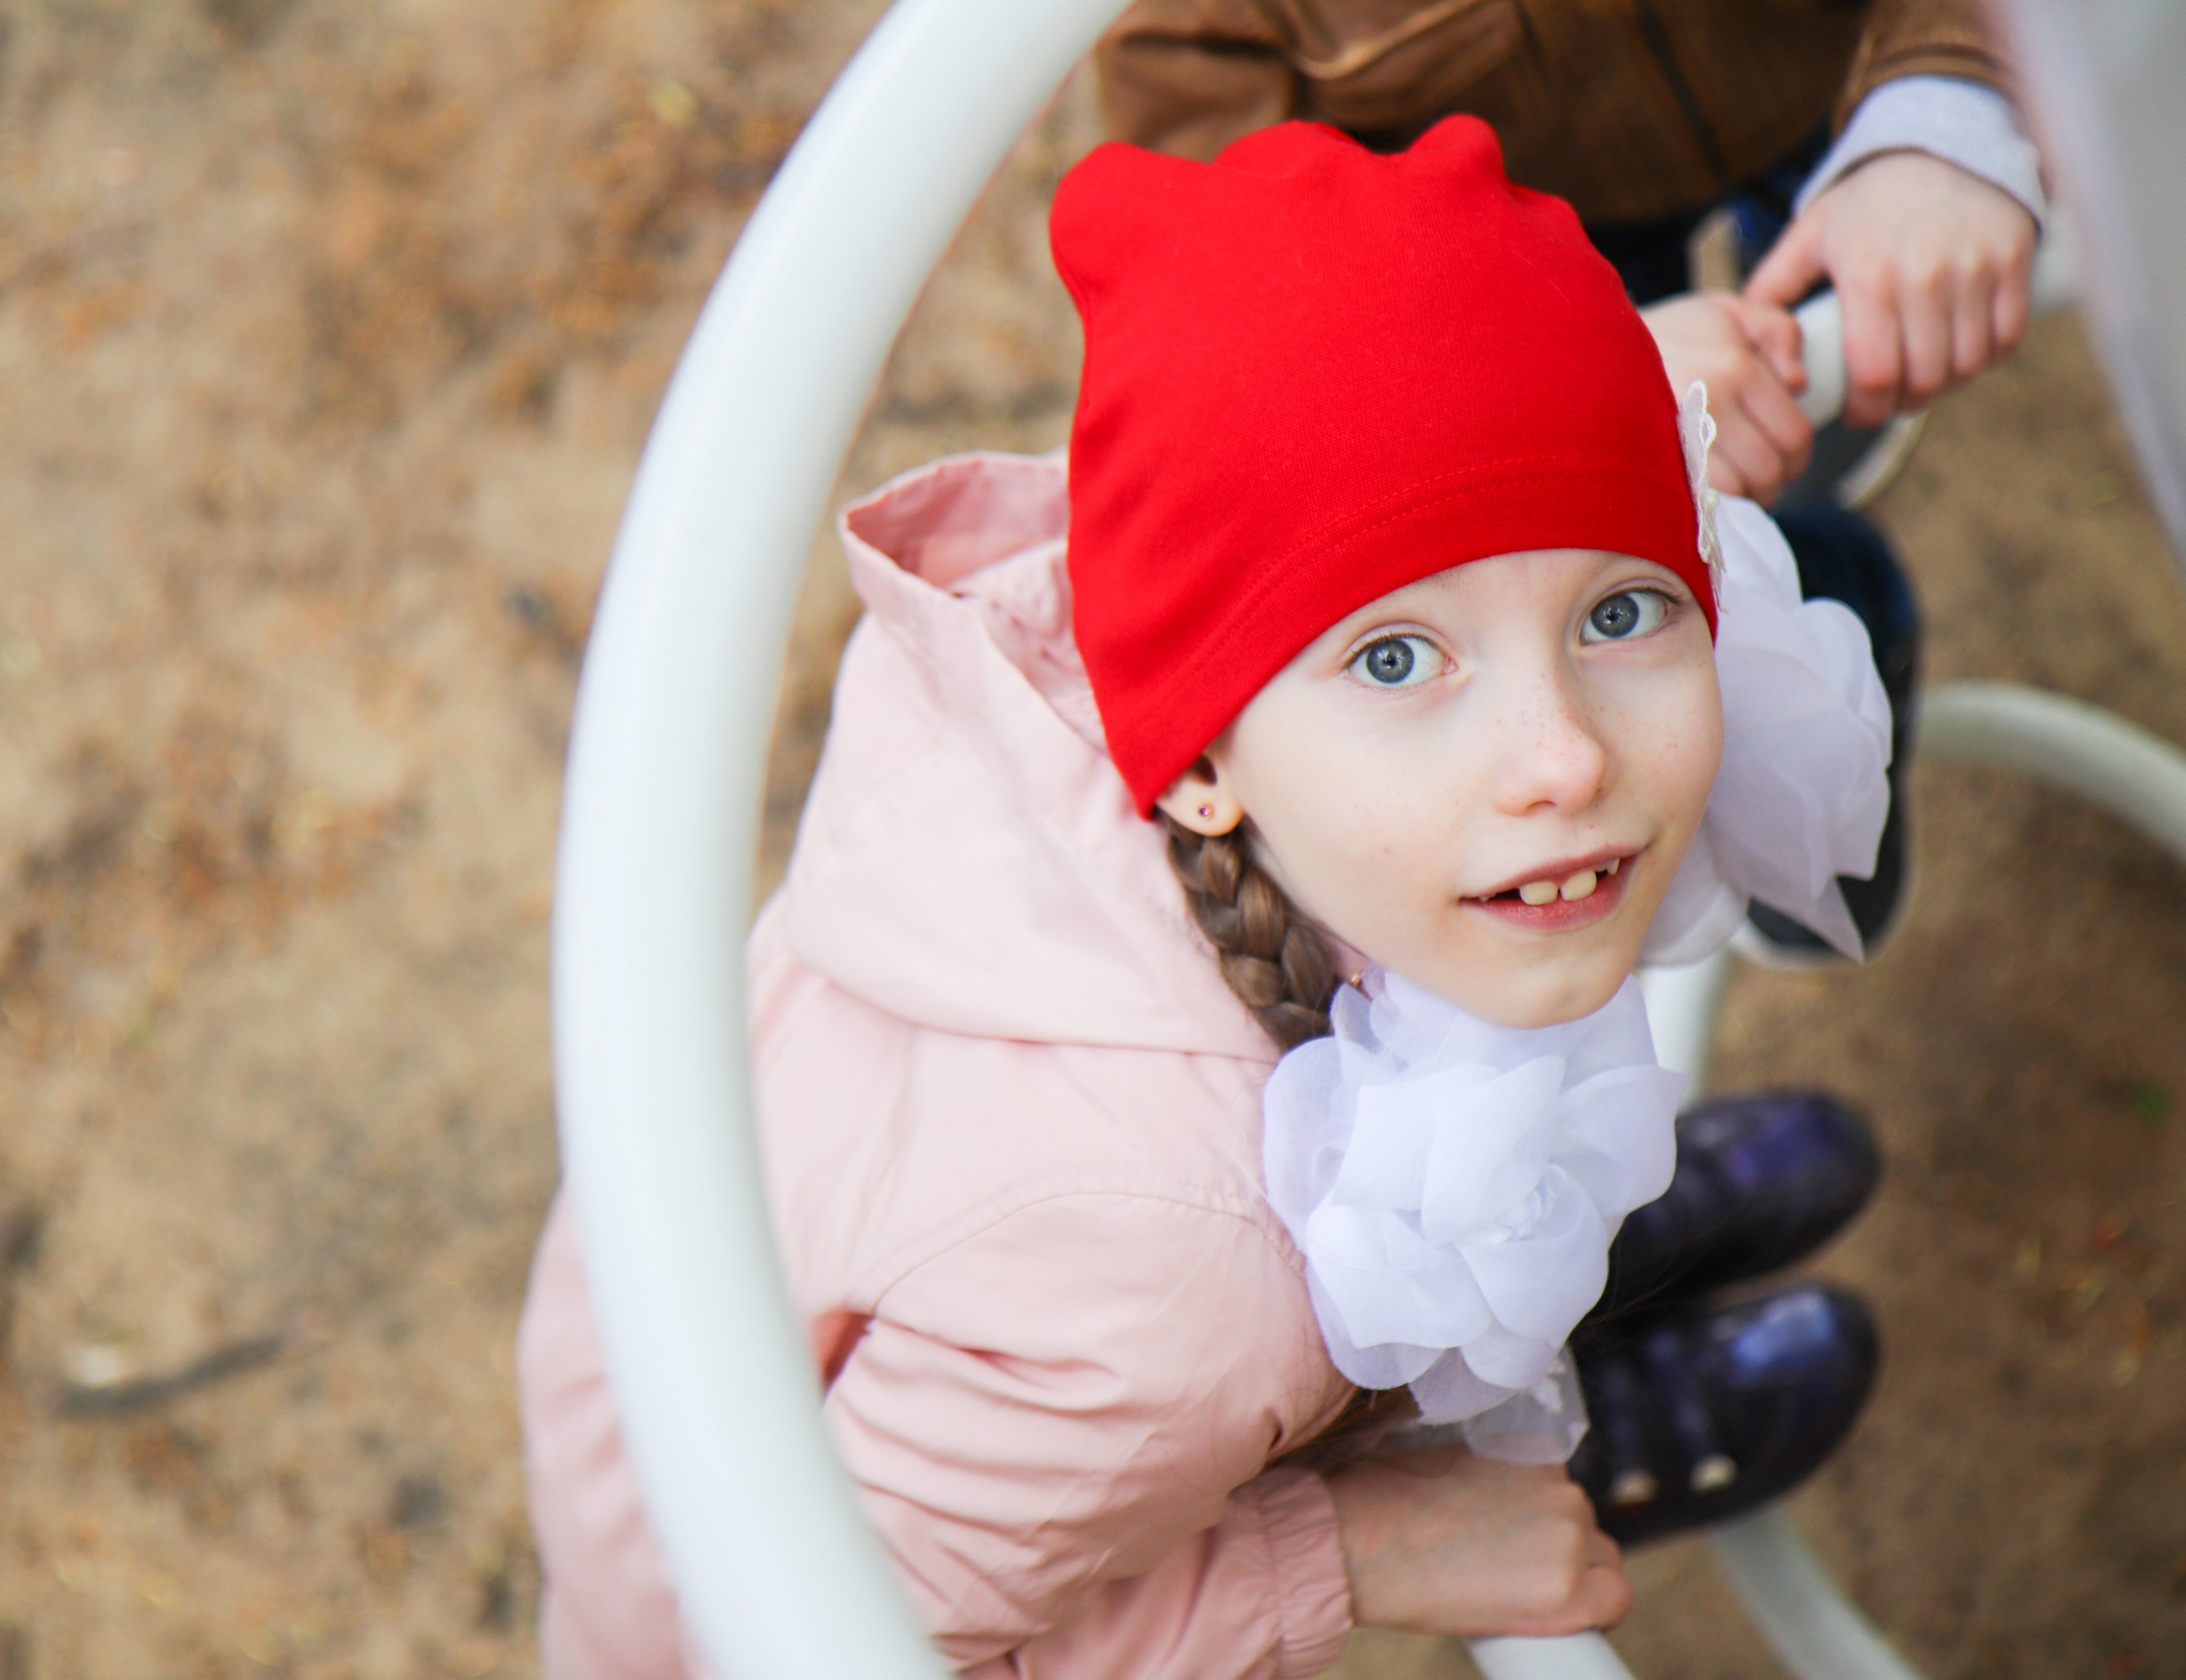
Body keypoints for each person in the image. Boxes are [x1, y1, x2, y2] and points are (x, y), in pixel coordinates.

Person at [521, 120, 1891, 1678]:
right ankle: (1480, 1432)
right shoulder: (1175, 1278)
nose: (1563, 754)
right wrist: (1344, 1546)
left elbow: (1370, 473)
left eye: (1620, 605)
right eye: (1396, 659)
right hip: (791, 1546)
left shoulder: (1295, 767)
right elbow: (789, 1636)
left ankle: (1533, 1268)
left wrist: (1619, 389)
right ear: (1193, 764)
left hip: (1022, 1392)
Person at [1094, 0, 2047, 504]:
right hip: (1536, 237)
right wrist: (1564, 374)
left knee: (1844, 321)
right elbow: (1237, 273)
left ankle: (1839, 416)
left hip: (1835, 76)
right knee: (1679, 489)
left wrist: (1944, 91)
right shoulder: (1176, 25)